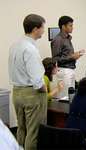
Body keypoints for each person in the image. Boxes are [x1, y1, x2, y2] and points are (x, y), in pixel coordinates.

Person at [8, 14, 47, 150]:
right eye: (42, 27)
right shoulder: (30, 49)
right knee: (33, 132)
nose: (43, 30)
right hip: (31, 94)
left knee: (21, 128)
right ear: (36, 29)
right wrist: (45, 90)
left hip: (17, 92)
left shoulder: (15, 45)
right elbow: (37, 81)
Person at [51, 16, 85, 98]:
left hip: (70, 70)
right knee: (65, 97)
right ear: (63, 26)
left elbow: (67, 55)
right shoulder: (58, 40)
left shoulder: (68, 39)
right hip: (63, 71)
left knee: (71, 97)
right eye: (70, 25)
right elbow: (55, 59)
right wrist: (72, 57)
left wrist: (77, 55)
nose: (72, 27)